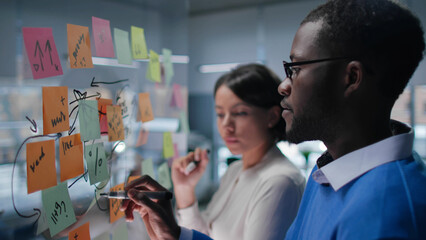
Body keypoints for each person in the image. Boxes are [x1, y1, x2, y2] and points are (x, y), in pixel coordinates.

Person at [121, 0, 426, 239]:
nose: (283, 85)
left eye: (296, 68)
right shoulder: (330, 171)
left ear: (351, 78)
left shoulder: (386, 213)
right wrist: (177, 234)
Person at [121, 64, 305, 240]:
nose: (226, 125)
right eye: (220, 114)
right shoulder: (236, 170)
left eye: (240, 113)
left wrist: (175, 235)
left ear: (272, 116)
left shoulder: (279, 182)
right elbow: (204, 235)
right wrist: (184, 189)